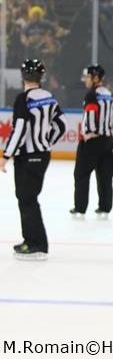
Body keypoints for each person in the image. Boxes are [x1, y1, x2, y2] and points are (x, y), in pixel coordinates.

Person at [0, 59, 66, 260]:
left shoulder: (23, 99)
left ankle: (36, 244)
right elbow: (61, 125)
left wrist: (5, 155)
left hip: (28, 157)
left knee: (27, 199)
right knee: (29, 198)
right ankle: (31, 240)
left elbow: (19, 130)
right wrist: (46, 142)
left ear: (23, 76)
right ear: (41, 77)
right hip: (42, 155)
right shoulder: (49, 98)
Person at [70, 64, 113, 220]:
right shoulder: (110, 94)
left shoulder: (91, 95)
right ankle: (105, 207)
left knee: (81, 175)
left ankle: (80, 208)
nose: (85, 80)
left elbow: (91, 112)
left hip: (92, 142)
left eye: (87, 77)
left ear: (95, 78)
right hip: (108, 141)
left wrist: (89, 132)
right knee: (105, 176)